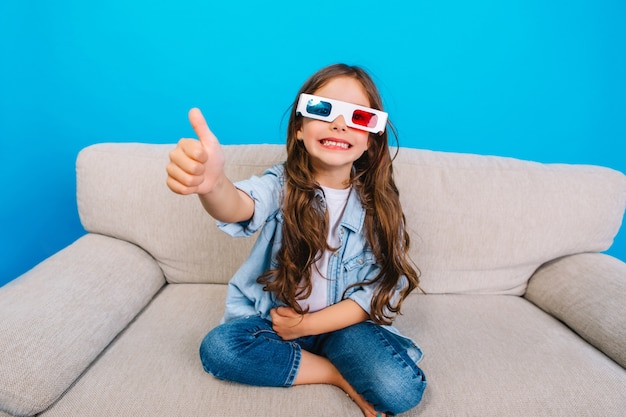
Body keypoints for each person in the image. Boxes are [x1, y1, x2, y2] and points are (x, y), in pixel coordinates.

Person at [166, 63, 426, 417]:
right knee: (220, 349)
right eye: (323, 109)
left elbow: (375, 294)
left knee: (400, 391)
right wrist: (213, 186)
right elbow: (239, 205)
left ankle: (329, 356)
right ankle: (334, 373)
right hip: (276, 321)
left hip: (343, 328)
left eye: (358, 117)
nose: (339, 124)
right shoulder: (280, 186)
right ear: (300, 129)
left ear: (371, 139)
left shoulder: (380, 209)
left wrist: (308, 326)